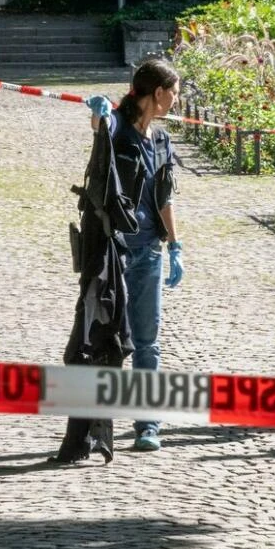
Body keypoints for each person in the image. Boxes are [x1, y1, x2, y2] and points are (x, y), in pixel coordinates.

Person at [87, 59, 183, 452]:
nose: (177, 99)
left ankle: (148, 425)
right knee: (106, 340)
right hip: (114, 251)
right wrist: (97, 115)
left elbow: (165, 197)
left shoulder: (160, 141)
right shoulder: (118, 128)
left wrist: (175, 245)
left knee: (147, 342)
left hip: (148, 253)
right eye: (174, 91)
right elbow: (100, 131)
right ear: (157, 93)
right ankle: (97, 427)